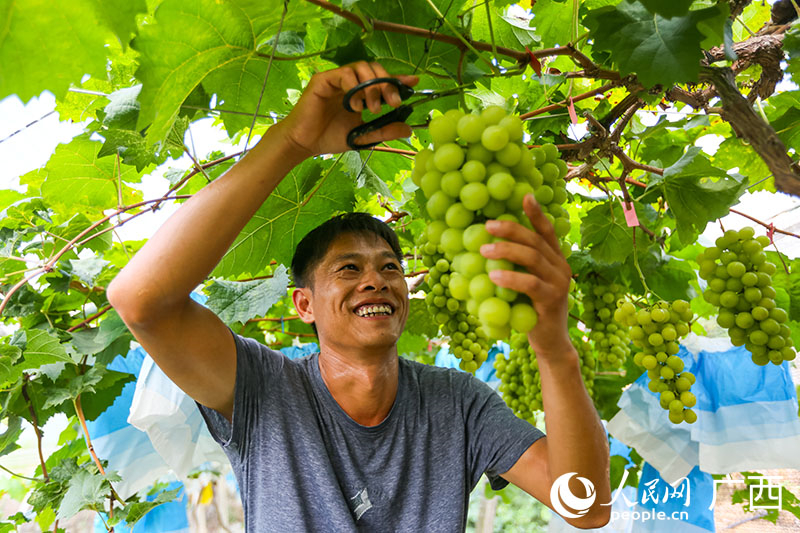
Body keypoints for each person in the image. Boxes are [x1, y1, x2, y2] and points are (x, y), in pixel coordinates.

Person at [108, 61, 611, 531]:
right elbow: (140, 299)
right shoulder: (262, 390)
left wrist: (554, 348)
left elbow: (586, 507)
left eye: (390, 268)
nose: (376, 280)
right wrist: (293, 141)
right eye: (349, 269)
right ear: (303, 304)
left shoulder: (457, 402)